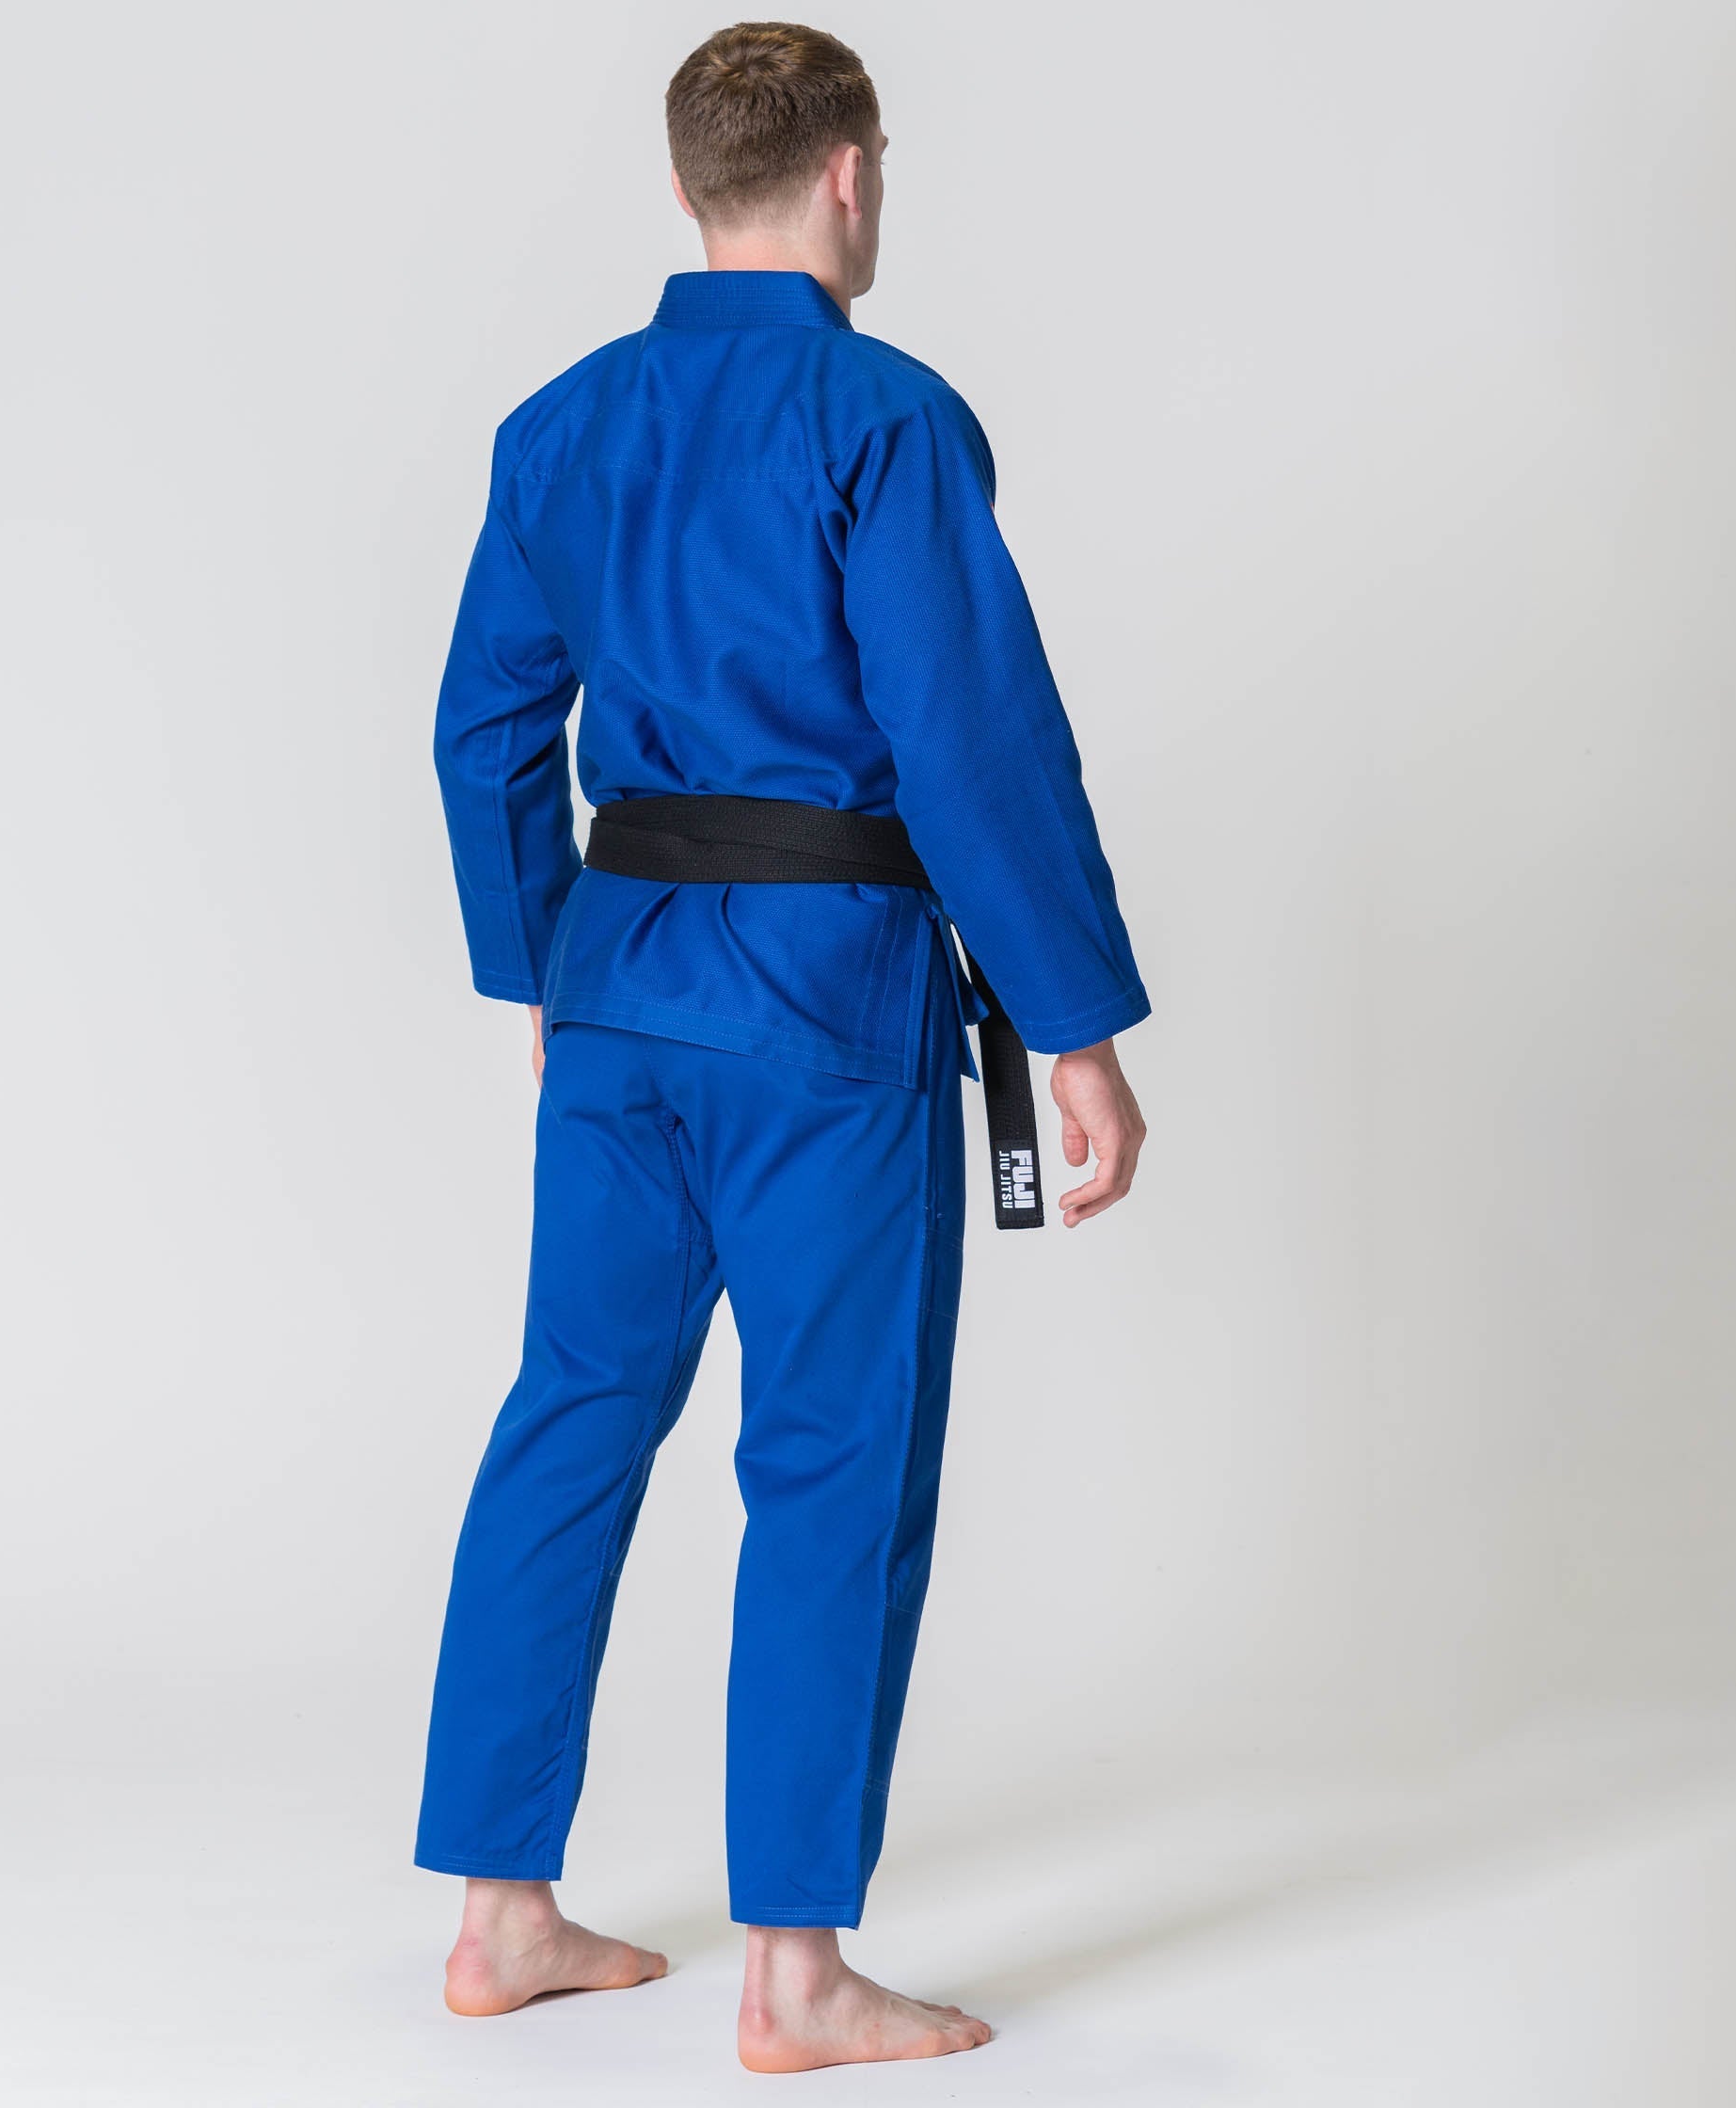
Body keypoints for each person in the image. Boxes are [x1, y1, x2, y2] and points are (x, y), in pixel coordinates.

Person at [416, 20, 1150, 2074]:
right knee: (831, 1458)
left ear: (686, 189)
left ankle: (498, 1919)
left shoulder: (562, 424)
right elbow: (972, 742)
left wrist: (545, 972)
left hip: (621, 982)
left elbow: (486, 729)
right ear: (849, 175)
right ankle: (798, 1977)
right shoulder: (885, 418)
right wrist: (1077, 1030)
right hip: (827, 1004)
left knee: (571, 1418)